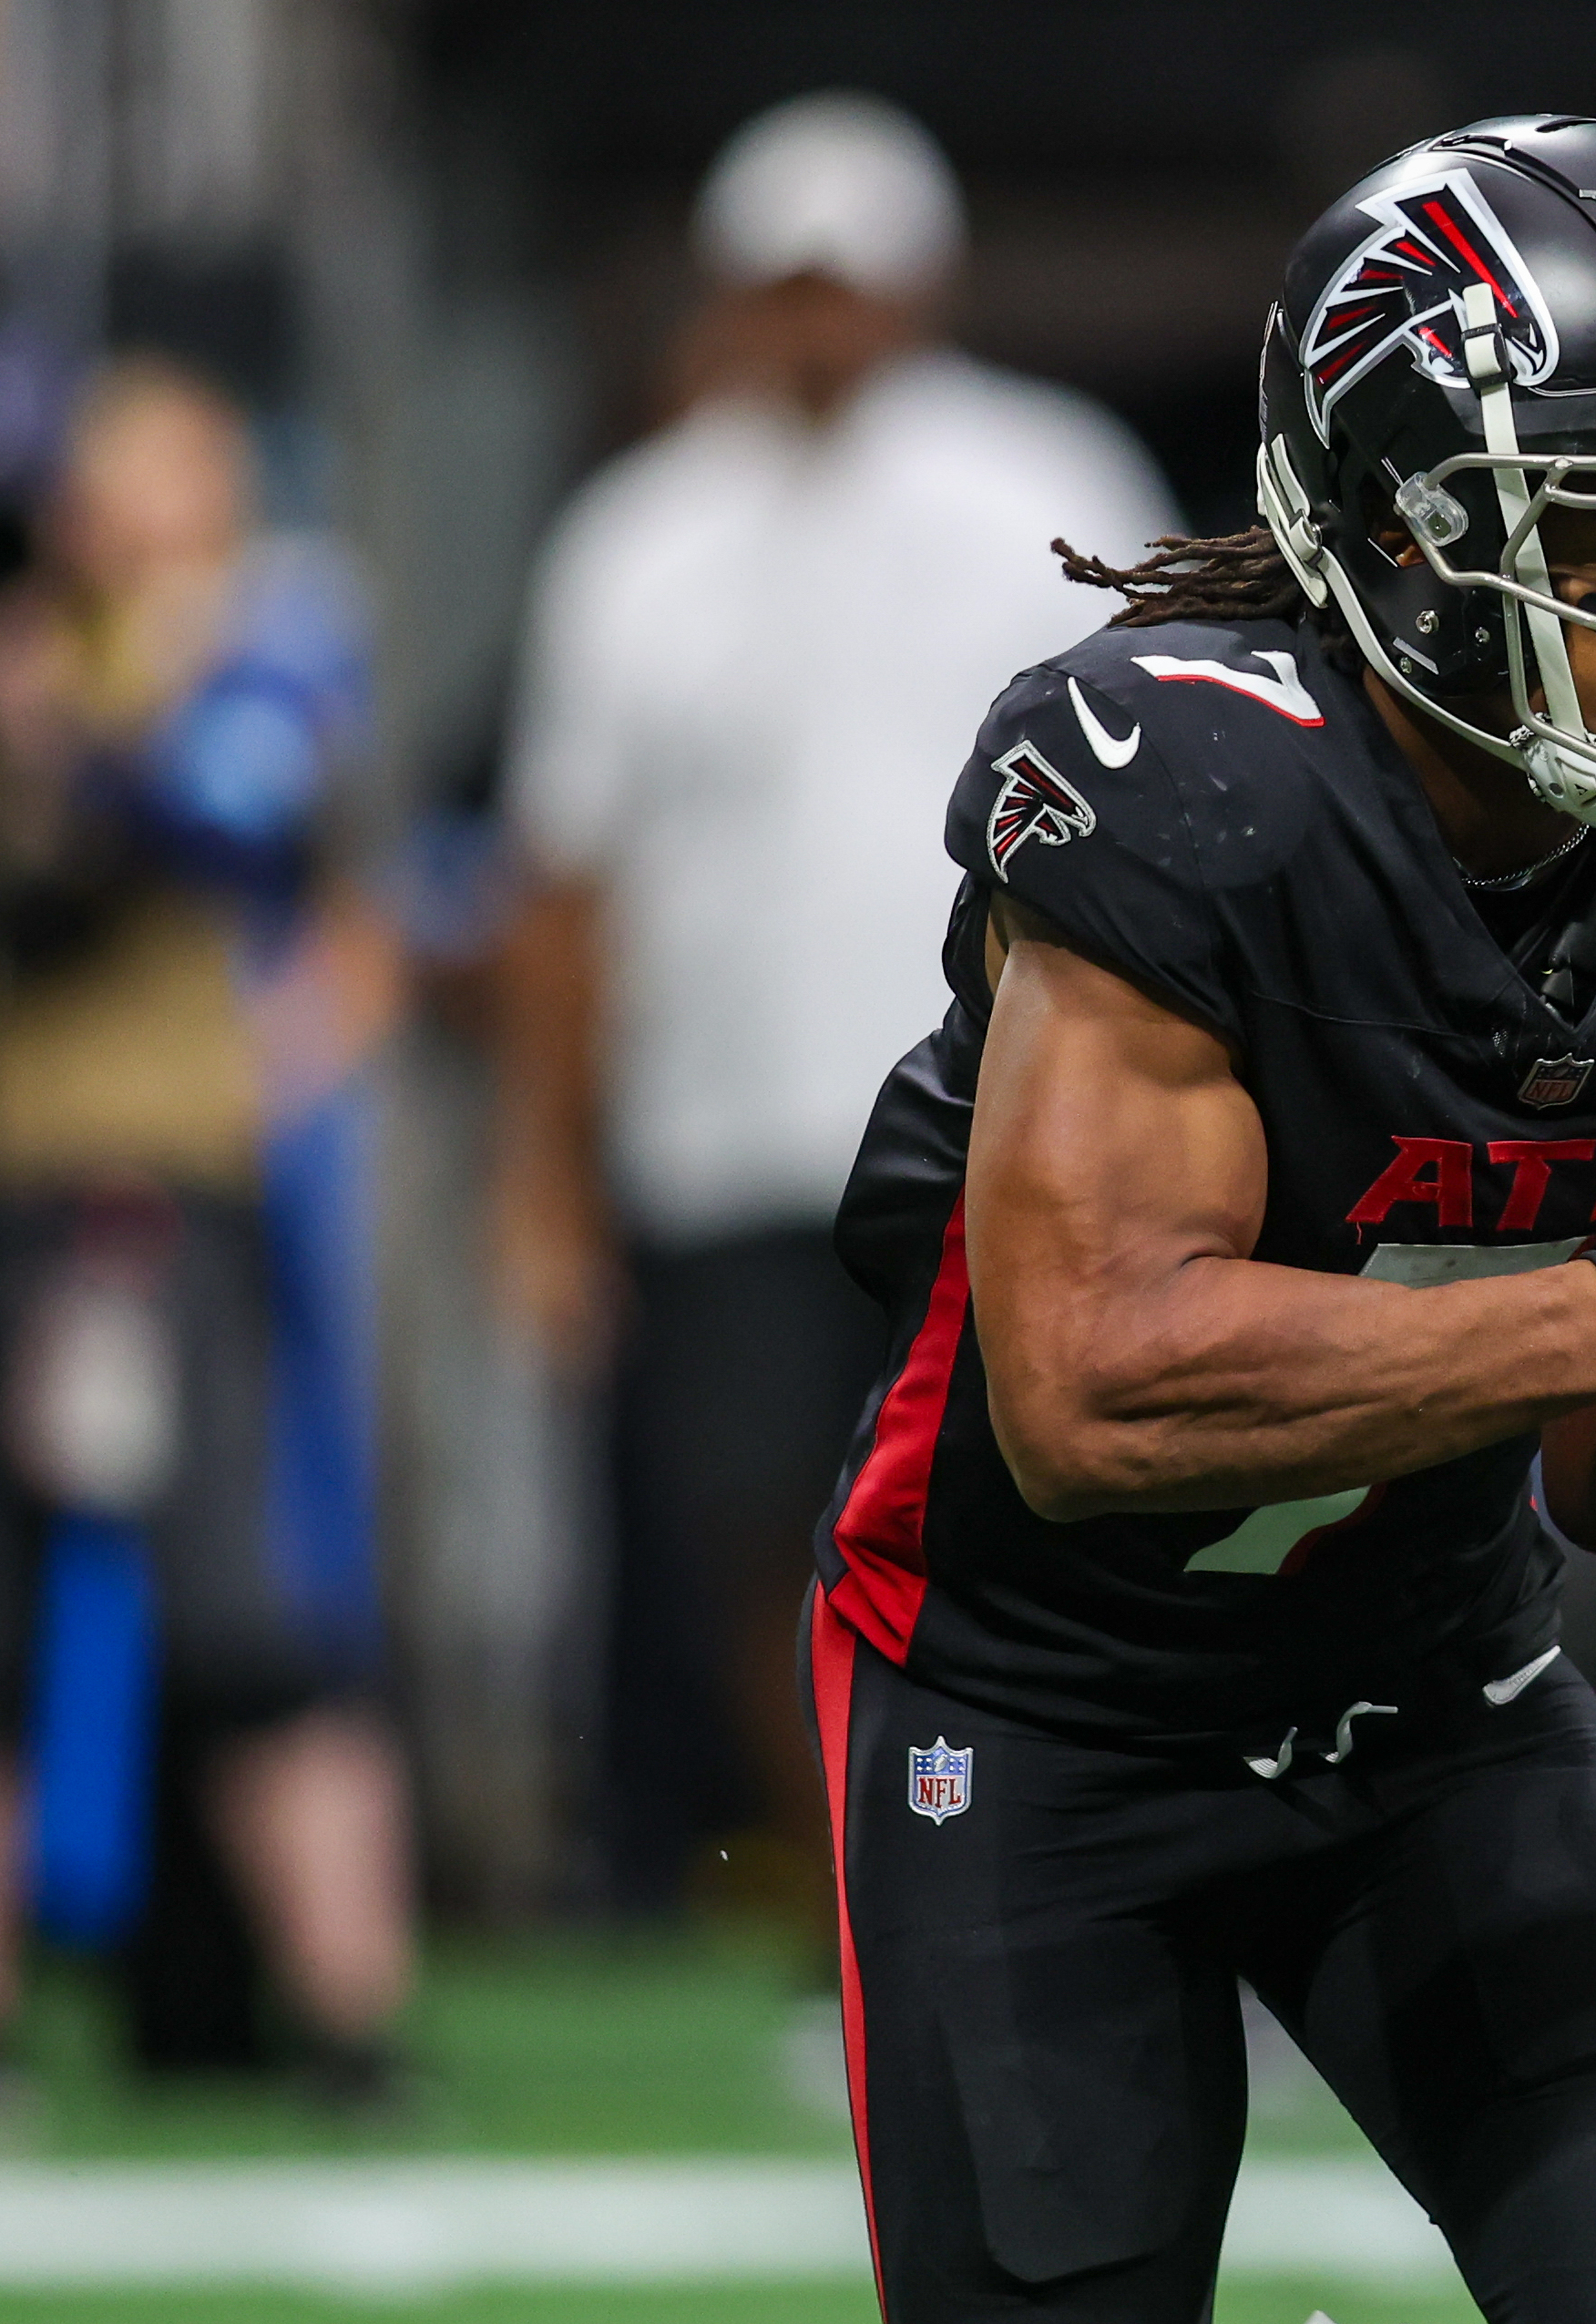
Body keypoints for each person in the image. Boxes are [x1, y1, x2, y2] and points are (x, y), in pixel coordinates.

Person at [805, 118, 1596, 2317]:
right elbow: (1092, 1389)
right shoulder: (1194, 790)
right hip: (1050, 1703)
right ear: (1408, 531)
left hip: (1445, 1684)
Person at [494, 92, 1179, 1916]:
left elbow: (1188, 807)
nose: (813, 323)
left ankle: (1064, 1881)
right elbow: (565, 886)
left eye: (843, 284)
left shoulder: (1051, 485)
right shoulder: (636, 540)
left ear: (915, 287)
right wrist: (545, 1178)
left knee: (1035, 1505)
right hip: (725, 1130)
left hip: (1007, 1117)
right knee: (763, 1529)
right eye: (782, 287)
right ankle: (866, 1902)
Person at [0, 358, 413, 2102]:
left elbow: (202, 829)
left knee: (243, 1607)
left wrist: (43, 712)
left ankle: (351, 2011)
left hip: (143, 1179)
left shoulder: (223, 639)